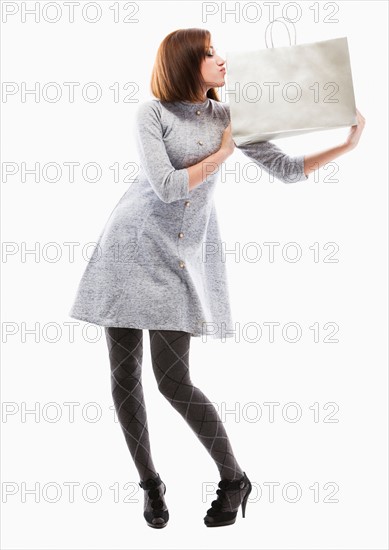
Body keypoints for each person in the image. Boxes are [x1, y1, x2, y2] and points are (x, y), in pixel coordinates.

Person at [68, 28, 365, 529]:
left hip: (178, 257)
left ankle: (234, 478)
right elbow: (164, 187)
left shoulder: (230, 117)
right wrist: (224, 153)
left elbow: (286, 170)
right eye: (209, 54)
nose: (222, 59)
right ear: (187, 62)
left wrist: (346, 145)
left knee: (172, 379)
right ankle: (150, 484)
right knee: (124, 378)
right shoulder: (152, 114)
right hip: (127, 249)